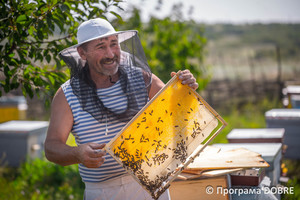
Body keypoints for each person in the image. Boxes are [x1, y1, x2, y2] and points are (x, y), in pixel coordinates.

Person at [44, 18, 198, 200]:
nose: (110, 53)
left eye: (114, 44)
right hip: (102, 192)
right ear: (82, 53)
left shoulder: (142, 78)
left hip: (151, 185)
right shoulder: (66, 94)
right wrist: (77, 153)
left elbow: (177, 112)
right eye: (101, 47)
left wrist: (185, 88)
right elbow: (51, 147)